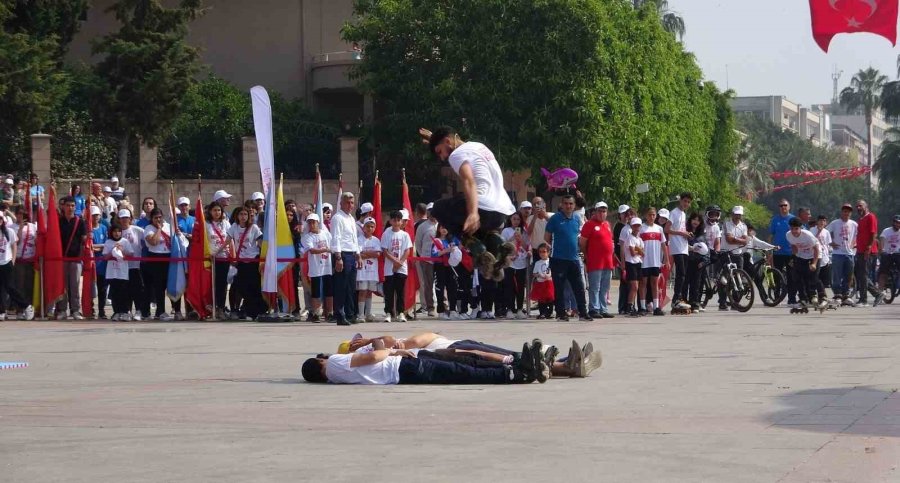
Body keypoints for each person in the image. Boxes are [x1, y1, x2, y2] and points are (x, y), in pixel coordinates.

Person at [421, 127, 516, 278]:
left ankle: (474, 245)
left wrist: (473, 213)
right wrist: (434, 138)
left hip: (482, 206)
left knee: (438, 208)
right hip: (501, 212)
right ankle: (496, 242)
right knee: (463, 215)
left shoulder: (456, 155)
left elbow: (468, 181)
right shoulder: (478, 146)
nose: (442, 157)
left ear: (447, 141)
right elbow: (457, 144)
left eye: (440, 152)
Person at [300, 341, 549, 385]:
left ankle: (516, 368)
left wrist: (392, 352)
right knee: (462, 369)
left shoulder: (336, 376)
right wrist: (386, 349)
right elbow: (375, 356)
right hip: (403, 369)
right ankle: (516, 374)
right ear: (319, 363)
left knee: (464, 363)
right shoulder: (334, 364)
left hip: (403, 365)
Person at [544, 194, 591, 321]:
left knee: (579, 287)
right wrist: (550, 249)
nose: (568, 206)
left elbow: (579, 237)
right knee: (559, 288)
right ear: (562, 205)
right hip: (558, 259)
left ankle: (583, 313)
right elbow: (547, 237)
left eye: (571, 204)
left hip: (574, 259)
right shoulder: (555, 219)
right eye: (566, 203)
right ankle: (561, 313)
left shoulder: (577, 218)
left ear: (574, 205)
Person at [227, 206, 264, 320]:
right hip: (241, 261)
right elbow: (227, 241)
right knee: (241, 286)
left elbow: (260, 243)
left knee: (254, 286)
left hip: (253, 260)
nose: (243, 217)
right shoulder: (234, 227)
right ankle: (242, 310)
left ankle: (254, 312)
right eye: (241, 214)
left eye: (245, 214)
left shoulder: (254, 228)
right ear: (237, 216)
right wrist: (217, 253)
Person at [330, 192, 361, 326]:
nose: (350, 205)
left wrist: (358, 254)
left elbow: (354, 238)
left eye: (352, 203)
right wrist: (338, 257)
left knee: (350, 286)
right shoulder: (337, 218)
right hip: (342, 254)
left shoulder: (351, 219)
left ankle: (350, 314)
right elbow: (336, 238)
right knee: (341, 286)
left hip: (352, 254)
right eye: (347, 202)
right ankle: (340, 315)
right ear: (341, 203)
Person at [580, 202, 615, 318]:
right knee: (595, 286)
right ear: (595, 212)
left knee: (605, 287)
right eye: (599, 211)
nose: (602, 214)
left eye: (604, 211)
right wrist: (587, 255)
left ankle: (603, 308)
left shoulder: (607, 225)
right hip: (595, 261)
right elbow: (583, 243)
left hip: (607, 261)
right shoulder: (589, 224)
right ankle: (594, 308)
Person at [55, 196, 86, 320]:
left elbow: (83, 239)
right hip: (61, 258)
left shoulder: (80, 221)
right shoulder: (59, 221)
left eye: (72, 205)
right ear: (64, 207)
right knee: (62, 286)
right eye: (68, 205)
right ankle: (62, 310)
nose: (70, 208)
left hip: (76, 258)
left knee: (74, 285)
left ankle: (76, 310)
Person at [0, 213, 34, 321]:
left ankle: (27, 306)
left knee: (10, 287)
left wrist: (13, 261)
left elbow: (14, 247)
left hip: (7, 262)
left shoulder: (9, 231)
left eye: (0, 218)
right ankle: (1, 311)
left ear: (3, 220)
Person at [786, 218, 826, 308]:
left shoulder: (807, 235)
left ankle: (823, 297)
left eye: (796, 229)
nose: (794, 231)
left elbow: (816, 249)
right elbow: (794, 246)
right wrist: (794, 258)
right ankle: (803, 299)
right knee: (797, 276)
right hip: (801, 255)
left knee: (814, 277)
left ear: (800, 228)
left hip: (815, 255)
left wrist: (814, 264)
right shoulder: (788, 235)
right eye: (792, 229)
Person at [381, 210, 413, 323]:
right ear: (390, 221)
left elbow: (407, 250)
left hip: (401, 267)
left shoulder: (405, 235)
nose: (396, 222)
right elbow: (384, 250)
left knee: (400, 291)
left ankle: (400, 312)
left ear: (401, 222)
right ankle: (389, 312)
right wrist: (394, 261)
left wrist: (399, 263)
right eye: (394, 220)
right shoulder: (386, 233)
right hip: (389, 268)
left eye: (398, 220)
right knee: (389, 291)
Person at [301, 213, 333, 322]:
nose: (311, 224)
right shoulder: (307, 237)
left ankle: (329, 313)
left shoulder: (326, 234)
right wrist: (325, 249)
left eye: (313, 222)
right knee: (316, 293)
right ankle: (315, 313)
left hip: (327, 267)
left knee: (329, 292)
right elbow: (312, 250)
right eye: (309, 222)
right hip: (315, 269)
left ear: (318, 223)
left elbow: (332, 245)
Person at [638, 207, 668, 316]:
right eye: (650, 215)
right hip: (644, 261)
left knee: (655, 284)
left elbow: (663, 244)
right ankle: (642, 307)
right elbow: (636, 243)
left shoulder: (659, 229)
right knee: (643, 284)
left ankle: (656, 307)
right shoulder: (641, 228)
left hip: (655, 261)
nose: (651, 217)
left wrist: (667, 260)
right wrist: (640, 253)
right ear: (646, 215)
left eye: (653, 215)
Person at [666, 192, 693, 311]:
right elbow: (667, 229)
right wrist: (681, 233)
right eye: (685, 201)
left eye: (688, 202)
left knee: (684, 274)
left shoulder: (683, 214)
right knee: (680, 273)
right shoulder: (674, 213)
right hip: (676, 247)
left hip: (684, 246)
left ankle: (679, 297)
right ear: (680, 200)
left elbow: (681, 229)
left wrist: (687, 234)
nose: (686, 203)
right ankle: (676, 299)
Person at [718, 205, 749, 311]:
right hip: (726, 253)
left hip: (738, 254)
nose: (737, 216)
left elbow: (745, 241)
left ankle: (735, 302)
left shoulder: (744, 226)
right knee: (725, 279)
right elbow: (729, 240)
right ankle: (722, 302)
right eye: (736, 214)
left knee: (738, 278)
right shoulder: (726, 224)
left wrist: (736, 239)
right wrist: (740, 240)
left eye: (739, 214)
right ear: (732, 214)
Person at [826, 203, 857, 305]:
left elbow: (859, 235)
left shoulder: (854, 224)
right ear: (841, 212)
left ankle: (846, 295)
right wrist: (831, 242)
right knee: (837, 275)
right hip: (838, 253)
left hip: (850, 253)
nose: (846, 213)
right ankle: (838, 295)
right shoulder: (835, 223)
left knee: (848, 276)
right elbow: (825, 233)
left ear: (850, 213)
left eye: (848, 211)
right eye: (844, 211)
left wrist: (855, 243)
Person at [117, 209, 146, 320]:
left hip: (135, 265)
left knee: (137, 289)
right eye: (122, 217)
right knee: (125, 289)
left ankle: (138, 310)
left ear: (130, 218)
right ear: (119, 219)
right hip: (122, 266)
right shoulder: (117, 232)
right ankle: (126, 311)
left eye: (126, 217)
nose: (124, 220)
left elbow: (147, 240)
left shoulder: (137, 230)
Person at [103, 223, 135, 321]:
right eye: (115, 231)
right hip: (112, 272)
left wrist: (122, 250)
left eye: (118, 231)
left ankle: (125, 311)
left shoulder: (125, 241)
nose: (117, 233)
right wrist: (113, 250)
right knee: (114, 292)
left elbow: (131, 254)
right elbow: (105, 257)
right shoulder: (108, 242)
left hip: (122, 272)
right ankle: (116, 312)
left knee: (123, 292)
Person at [501, 211, 529, 319]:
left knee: (521, 287)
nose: (516, 221)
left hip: (521, 262)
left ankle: (520, 309)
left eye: (518, 219)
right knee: (509, 286)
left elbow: (527, 246)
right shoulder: (506, 231)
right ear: (510, 220)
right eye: (514, 219)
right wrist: (512, 238)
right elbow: (503, 246)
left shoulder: (524, 231)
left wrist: (520, 239)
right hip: (510, 262)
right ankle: (510, 309)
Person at [206, 201, 232, 318]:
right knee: (211, 284)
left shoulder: (226, 224)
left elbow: (231, 240)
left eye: (219, 210)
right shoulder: (206, 224)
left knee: (222, 285)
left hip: (224, 258)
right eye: (214, 210)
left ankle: (221, 308)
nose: (217, 213)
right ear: (210, 212)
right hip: (211, 258)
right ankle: (212, 306)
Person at [854, 200, 882, 306]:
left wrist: (868, 247)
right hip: (860, 250)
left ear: (866, 206)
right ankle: (877, 294)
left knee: (864, 275)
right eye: (857, 206)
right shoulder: (860, 219)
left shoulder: (871, 217)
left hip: (868, 251)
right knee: (861, 275)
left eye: (860, 206)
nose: (858, 208)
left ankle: (864, 300)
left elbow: (873, 233)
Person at [769, 199, 797, 306]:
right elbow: (771, 235)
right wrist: (769, 250)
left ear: (788, 207)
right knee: (777, 276)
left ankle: (792, 298)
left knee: (791, 276)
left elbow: (800, 232)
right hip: (778, 253)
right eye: (781, 205)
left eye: (785, 205)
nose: (783, 207)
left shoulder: (793, 219)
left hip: (790, 253)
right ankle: (776, 297)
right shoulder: (775, 220)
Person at [433, 223, 461, 320]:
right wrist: (446, 250)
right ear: (439, 229)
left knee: (452, 287)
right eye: (442, 227)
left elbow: (460, 248)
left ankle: (453, 310)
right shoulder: (436, 240)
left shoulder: (453, 239)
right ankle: (441, 310)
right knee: (440, 288)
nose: (444, 229)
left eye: (446, 227)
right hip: (440, 267)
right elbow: (434, 254)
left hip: (451, 266)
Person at [356, 217, 381, 323]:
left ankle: (368, 314)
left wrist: (366, 254)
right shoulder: (359, 239)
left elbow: (378, 254)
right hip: (362, 270)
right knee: (362, 291)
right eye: (367, 226)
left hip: (372, 271)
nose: (370, 228)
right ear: (364, 227)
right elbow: (358, 254)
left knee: (370, 292)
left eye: (372, 226)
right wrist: (371, 254)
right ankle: (361, 314)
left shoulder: (376, 240)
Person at [414, 204, 437, 317]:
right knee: (428, 284)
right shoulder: (422, 226)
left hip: (440, 260)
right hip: (427, 260)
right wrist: (424, 255)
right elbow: (418, 243)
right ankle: (430, 307)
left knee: (441, 284)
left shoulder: (441, 225)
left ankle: (443, 306)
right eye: (430, 211)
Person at [14, 206, 36, 319]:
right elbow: (15, 243)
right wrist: (20, 228)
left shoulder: (33, 227)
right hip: (19, 260)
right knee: (19, 285)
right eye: (20, 213)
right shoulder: (12, 227)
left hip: (30, 259)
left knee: (29, 285)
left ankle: (29, 307)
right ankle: (19, 309)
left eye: (24, 214)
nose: (22, 216)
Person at [622, 217, 644, 317]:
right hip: (631, 263)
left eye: (638, 225)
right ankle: (629, 306)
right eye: (635, 225)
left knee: (636, 287)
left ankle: (631, 306)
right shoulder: (630, 238)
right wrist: (638, 250)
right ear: (631, 226)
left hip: (638, 263)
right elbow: (632, 252)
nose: (637, 227)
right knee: (634, 286)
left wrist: (638, 250)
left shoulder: (639, 239)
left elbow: (642, 253)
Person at [90, 206, 109, 319]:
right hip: (91, 263)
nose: (95, 217)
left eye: (97, 215)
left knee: (102, 289)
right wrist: (98, 247)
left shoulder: (103, 228)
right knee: (91, 289)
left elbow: (106, 245)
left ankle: (101, 310)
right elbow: (88, 246)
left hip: (102, 264)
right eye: (93, 215)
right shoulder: (88, 229)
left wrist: (97, 247)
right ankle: (90, 309)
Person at [614, 205, 634, 314]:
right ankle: (622, 307)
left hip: (631, 259)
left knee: (631, 283)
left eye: (627, 213)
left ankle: (629, 305)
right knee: (624, 282)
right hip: (621, 259)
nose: (625, 216)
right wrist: (620, 261)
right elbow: (618, 246)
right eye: (623, 213)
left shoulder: (631, 226)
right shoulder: (619, 227)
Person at [684, 213, 706, 311]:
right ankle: (683, 302)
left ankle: (694, 303)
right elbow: (682, 245)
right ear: (690, 220)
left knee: (696, 283)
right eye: (694, 219)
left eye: (698, 220)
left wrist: (704, 261)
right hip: (687, 260)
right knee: (685, 283)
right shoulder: (685, 232)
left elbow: (706, 249)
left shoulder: (702, 235)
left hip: (698, 261)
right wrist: (692, 248)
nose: (696, 222)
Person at [876, 215, 900, 298]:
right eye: (896, 222)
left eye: (899, 223)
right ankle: (879, 292)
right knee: (883, 273)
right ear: (893, 223)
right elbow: (882, 240)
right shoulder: (886, 231)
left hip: (897, 253)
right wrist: (881, 250)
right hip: (887, 253)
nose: (898, 224)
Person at [810, 215, 833, 298]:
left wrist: (829, 257)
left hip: (825, 258)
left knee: (824, 280)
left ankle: (821, 296)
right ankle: (814, 295)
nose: (822, 222)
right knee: (815, 277)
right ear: (817, 221)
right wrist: (819, 232)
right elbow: (812, 241)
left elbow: (827, 245)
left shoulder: (826, 232)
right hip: (816, 257)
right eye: (820, 220)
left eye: (824, 220)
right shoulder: (812, 230)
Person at [531, 242, 555, 319]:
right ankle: (542, 313)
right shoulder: (538, 263)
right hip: (540, 283)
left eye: (544, 251)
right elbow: (534, 273)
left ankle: (550, 313)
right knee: (541, 300)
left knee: (550, 299)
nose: (542, 253)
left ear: (548, 252)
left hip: (549, 282)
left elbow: (553, 271)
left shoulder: (551, 261)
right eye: (540, 252)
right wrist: (539, 275)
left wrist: (549, 275)